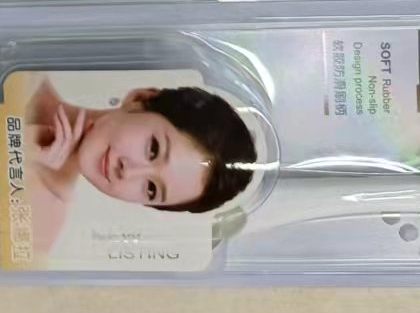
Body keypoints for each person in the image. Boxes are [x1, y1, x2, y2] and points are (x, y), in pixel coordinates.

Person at [24, 78, 257, 256]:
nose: (128, 172)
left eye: (151, 189)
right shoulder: (21, 74)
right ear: (140, 99)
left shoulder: (41, 229)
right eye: (153, 149)